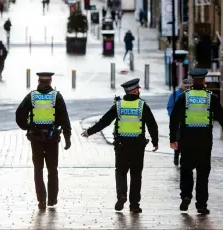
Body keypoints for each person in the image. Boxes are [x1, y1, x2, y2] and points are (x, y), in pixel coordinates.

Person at [81, 78, 159, 213]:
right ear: (134, 90)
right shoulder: (142, 106)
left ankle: (122, 195)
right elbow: (152, 125)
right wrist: (155, 141)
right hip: (137, 146)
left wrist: (89, 131)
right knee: (136, 175)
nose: (139, 91)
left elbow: (104, 121)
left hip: (121, 145)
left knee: (121, 172)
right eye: (138, 89)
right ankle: (134, 205)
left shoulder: (118, 106)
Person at [169, 69, 223, 214]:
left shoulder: (184, 97)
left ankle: (186, 195)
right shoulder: (210, 97)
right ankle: (201, 205)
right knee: (203, 172)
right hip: (204, 139)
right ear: (204, 81)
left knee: (186, 169)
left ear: (192, 81)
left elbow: (174, 119)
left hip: (187, 138)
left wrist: (173, 139)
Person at [15, 72, 72, 211]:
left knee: (38, 169)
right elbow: (64, 117)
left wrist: (28, 127)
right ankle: (52, 200)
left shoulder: (32, 96)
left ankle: (41, 200)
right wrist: (67, 137)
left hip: (36, 139)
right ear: (50, 81)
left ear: (39, 81)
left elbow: (19, 114)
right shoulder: (56, 96)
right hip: (52, 139)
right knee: (52, 169)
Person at [166, 78, 192, 166]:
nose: (187, 88)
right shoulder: (175, 95)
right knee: (177, 139)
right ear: (182, 85)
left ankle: (185, 158)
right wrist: (174, 117)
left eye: (189, 86)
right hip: (178, 122)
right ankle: (176, 156)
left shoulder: (191, 95)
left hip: (188, 122)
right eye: (186, 86)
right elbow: (170, 107)